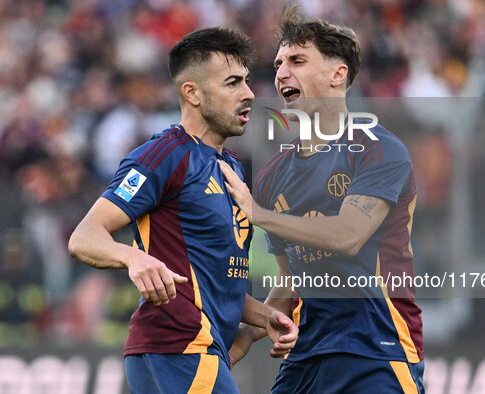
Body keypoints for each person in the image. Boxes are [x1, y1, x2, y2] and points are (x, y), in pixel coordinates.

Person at [68, 27, 298, 393]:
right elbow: (85, 236)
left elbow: (214, 282)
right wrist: (133, 259)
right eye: (232, 83)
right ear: (192, 93)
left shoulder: (232, 168)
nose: (249, 94)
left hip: (197, 350)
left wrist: (264, 316)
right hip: (178, 347)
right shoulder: (164, 155)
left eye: (247, 82)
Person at [220, 6, 424, 393]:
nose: (281, 73)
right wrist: (247, 334)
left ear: (338, 74)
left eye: (297, 60)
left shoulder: (379, 149)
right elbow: (291, 279)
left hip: (377, 352)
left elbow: (348, 235)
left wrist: (258, 214)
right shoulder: (271, 176)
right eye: (279, 63)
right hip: (306, 356)